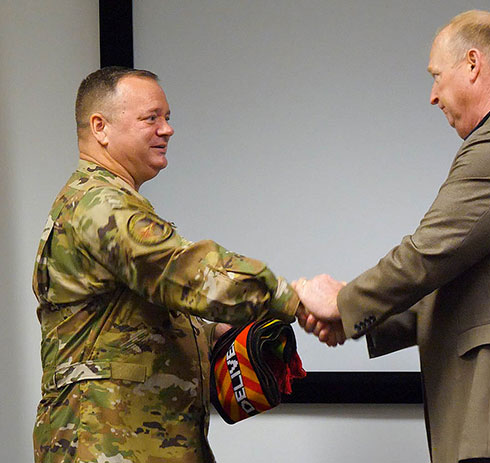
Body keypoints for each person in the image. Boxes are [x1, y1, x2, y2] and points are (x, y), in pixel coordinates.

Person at [294, 10, 490, 463]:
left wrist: (342, 303)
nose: (433, 96)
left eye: (437, 76)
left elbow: (426, 256)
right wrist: (356, 318)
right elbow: (458, 287)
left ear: (473, 64)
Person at [32, 67, 301, 463]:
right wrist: (294, 298)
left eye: (167, 117)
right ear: (100, 127)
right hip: (102, 446)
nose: (167, 129)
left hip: (141, 444)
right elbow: (186, 272)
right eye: (151, 118)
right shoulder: (98, 206)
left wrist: (213, 336)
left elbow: (128, 330)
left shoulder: (109, 202)